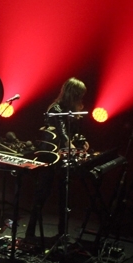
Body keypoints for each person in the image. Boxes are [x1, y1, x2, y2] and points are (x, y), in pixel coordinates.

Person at [26, 77, 88, 242]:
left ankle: (62, 233)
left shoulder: (70, 109)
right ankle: (29, 233)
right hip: (50, 155)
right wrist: (72, 146)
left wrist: (81, 142)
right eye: (79, 95)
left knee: (64, 195)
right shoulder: (56, 108)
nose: (81, 99)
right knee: (42, 194)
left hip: (62, 156)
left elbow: (72, 133)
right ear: (72, 94)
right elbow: (62, 134)